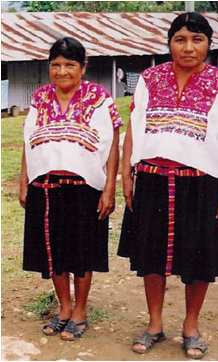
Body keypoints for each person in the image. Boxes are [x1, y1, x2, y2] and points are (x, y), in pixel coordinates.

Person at [118, 12, 218, 359]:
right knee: (151, 256)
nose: (188, 47)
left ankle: (191, 325)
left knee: (199, 258)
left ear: (208, 44)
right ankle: (154, 324)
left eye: (197, 40)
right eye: (180, 39)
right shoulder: (148, 79)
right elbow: (135, 128)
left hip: (201, 185)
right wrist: (127, 172)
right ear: (169, 43)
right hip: (153, 181)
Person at [19, 37, 122, 341]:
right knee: (53, 252)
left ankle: (80, 310)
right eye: (56, 65)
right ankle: (63, 308)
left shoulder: (99, 98)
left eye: (69, 65)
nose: (62, 71)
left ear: (83, 67)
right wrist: (24, 179)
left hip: (85, 187)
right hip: (46, 185)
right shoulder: (39, 97)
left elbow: (112, 145)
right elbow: (29, 141)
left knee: (82, 251)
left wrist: (108, 189)